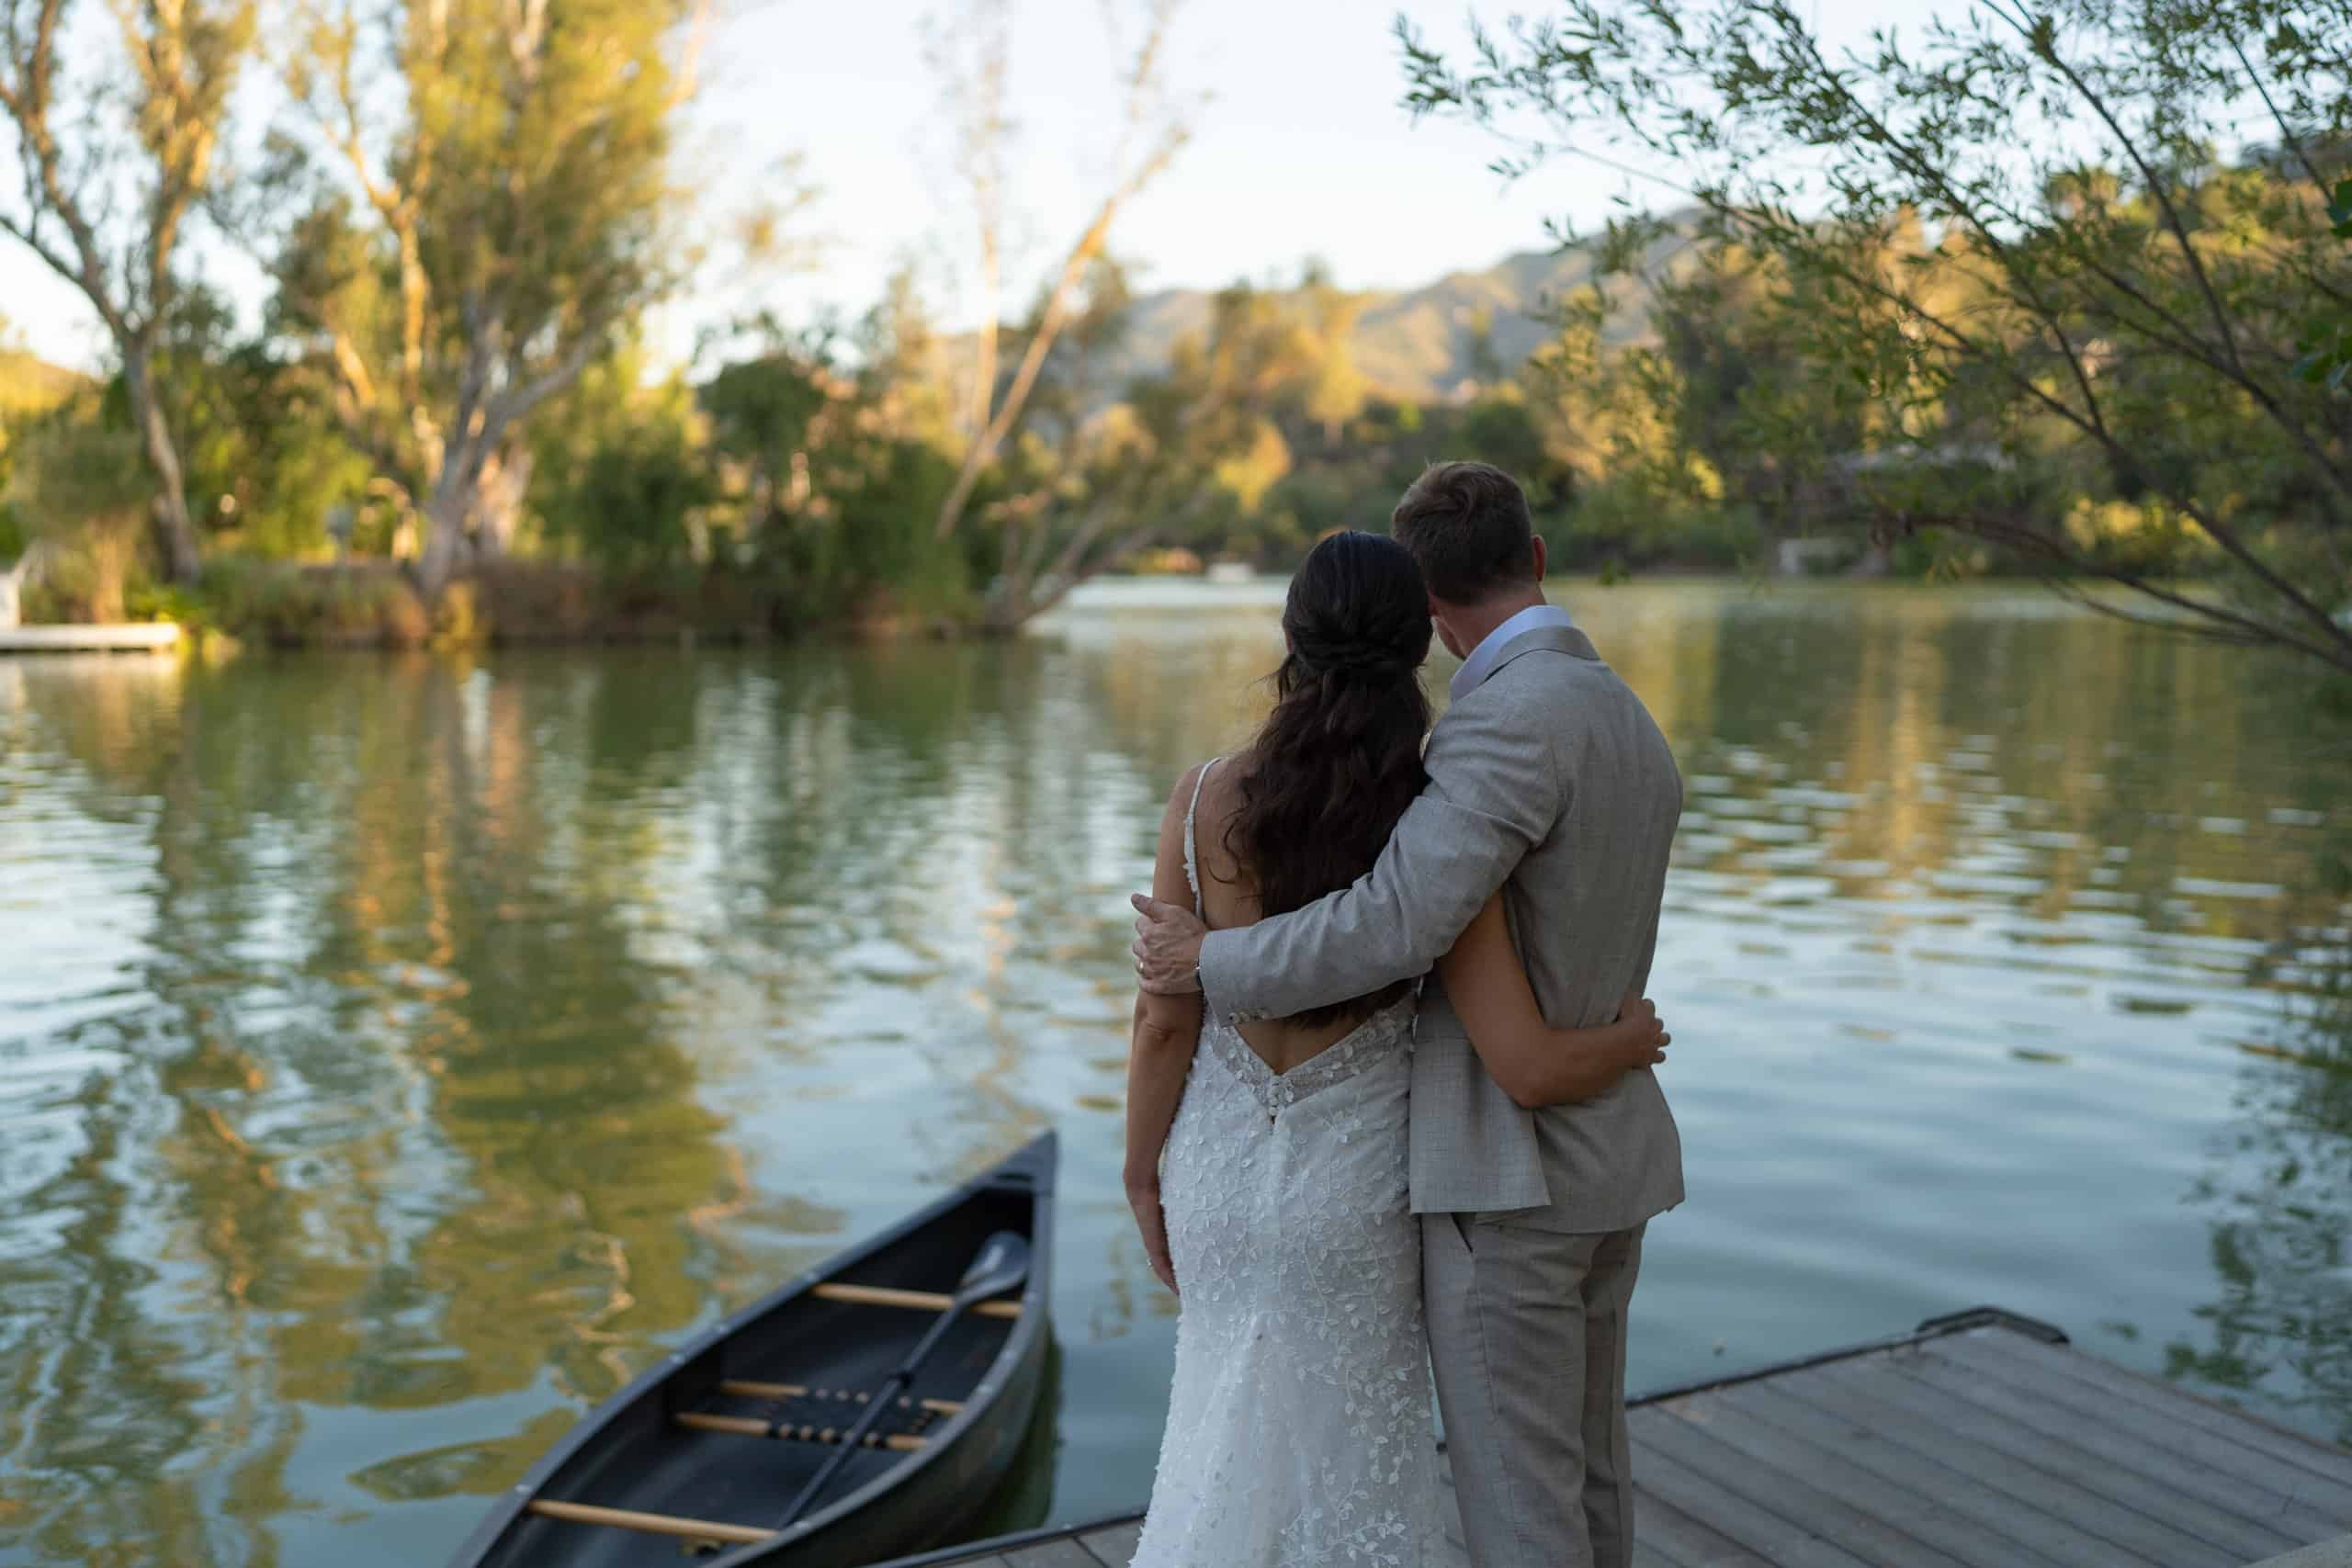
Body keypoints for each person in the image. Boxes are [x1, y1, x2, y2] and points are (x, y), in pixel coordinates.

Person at [1133, 463, 1686, 1568]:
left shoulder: (1494, 735)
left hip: (1509, 1187)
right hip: (1603, 1164)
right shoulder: (1625, 716)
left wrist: (1207, 959)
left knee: (1523, 1508)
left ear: (1432, 612)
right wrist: (1627, 1044)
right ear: (1532, 559)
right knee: (1587, 1480)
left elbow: (1391, 922)